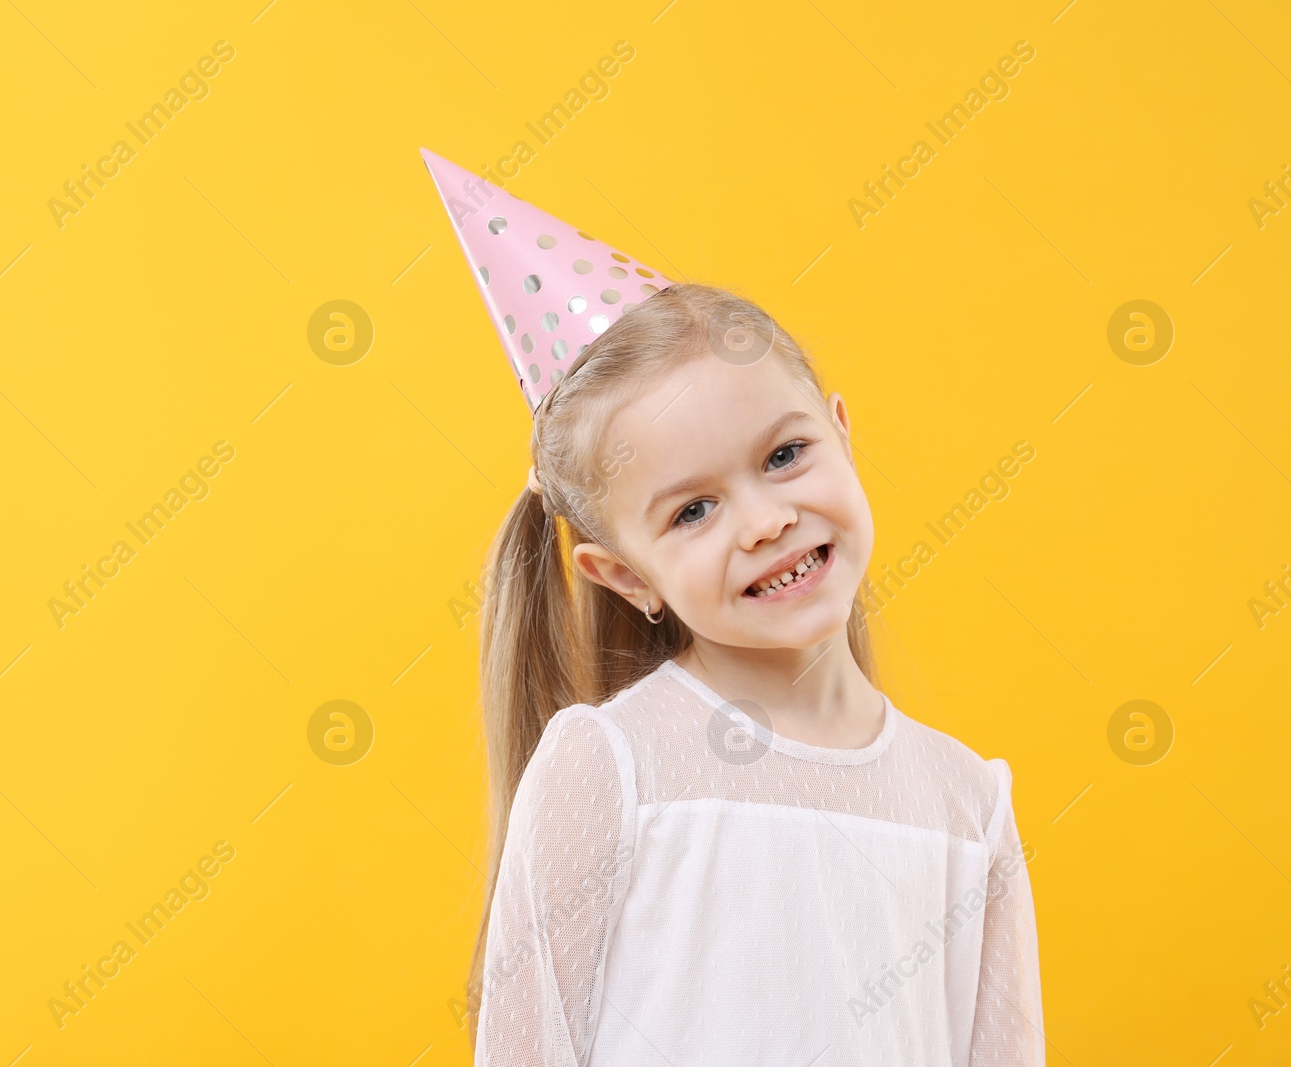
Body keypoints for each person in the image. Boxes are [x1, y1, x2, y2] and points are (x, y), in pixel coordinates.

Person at [420, 149, 1044, 1066]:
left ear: (840, 429)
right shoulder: (614, 768)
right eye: (694, 510)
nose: (765, 521)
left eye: (784, 455)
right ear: (624, 574)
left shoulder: (967, 804)